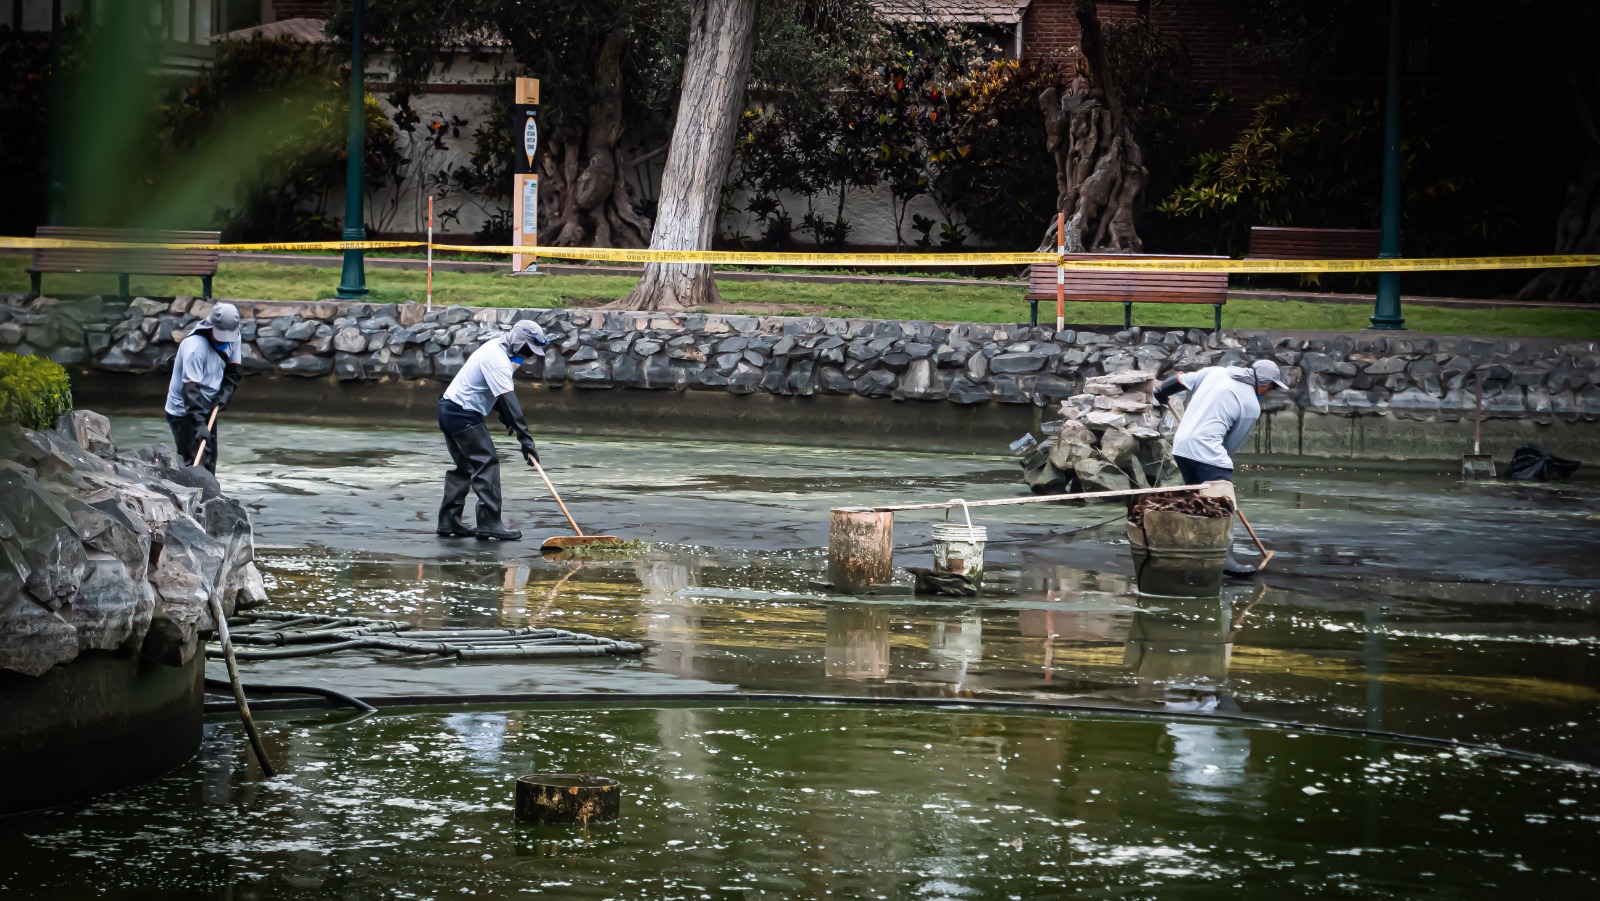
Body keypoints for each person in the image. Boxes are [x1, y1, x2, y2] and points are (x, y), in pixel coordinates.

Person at [1154, 358, 1290, 576]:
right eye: (1270, 387)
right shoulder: (1250, 406)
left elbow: (1177, 380)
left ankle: (1196, 550)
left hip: (1181, 448)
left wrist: (1161, 393)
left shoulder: (1215, 372)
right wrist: (1222, 473)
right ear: (1261, 381)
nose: (1268, 392)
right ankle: (1224, 559)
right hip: (1208, 453)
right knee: (1222, 506)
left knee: (1197, 503)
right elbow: (1230, 445)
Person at [437, 321, 549, 541]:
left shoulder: (496, 348)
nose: (529, 355)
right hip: (463, 414)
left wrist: (506, 417)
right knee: (487, 463)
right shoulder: (497, 359)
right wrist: (525, 439)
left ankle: (448, 520)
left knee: (465, 466)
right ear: (518, 340)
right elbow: (508, 398)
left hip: (449, 409)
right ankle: (489, 522)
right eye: (528, 349)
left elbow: (494, 394)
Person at [164, 302, 243, 473]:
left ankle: (209, 497)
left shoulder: (234, 335)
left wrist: (223, 396)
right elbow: (190, 390)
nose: (226, 341)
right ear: (211, 326)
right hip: (184, 410)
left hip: (209, 405)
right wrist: (199, 424)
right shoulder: (195, 347)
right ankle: (189, 496)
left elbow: (233, 372)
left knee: (209, 460)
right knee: (193, 462)